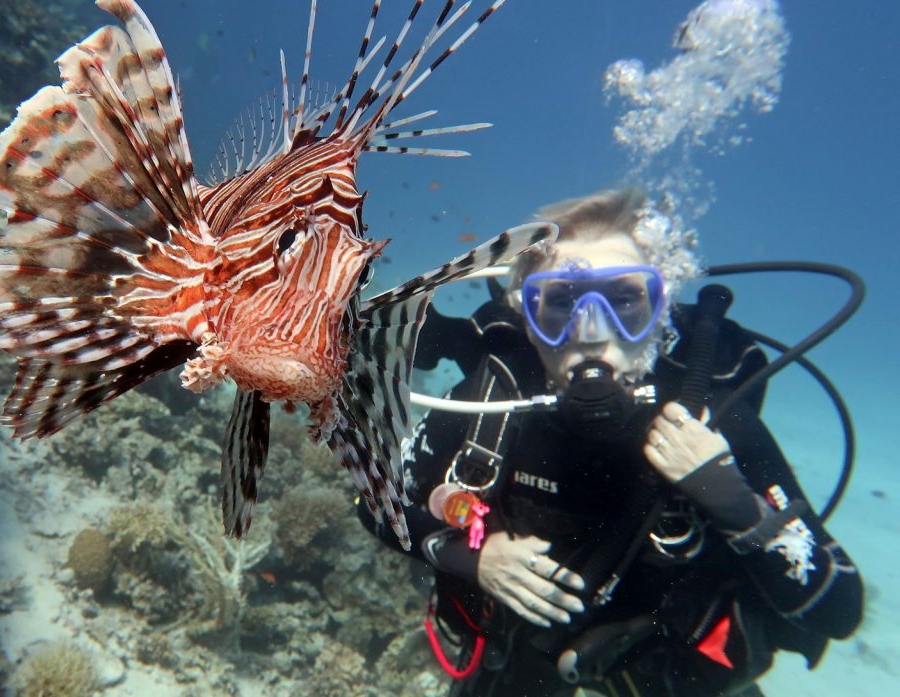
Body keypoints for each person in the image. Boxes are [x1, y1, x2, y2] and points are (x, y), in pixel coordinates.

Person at [358, 190, 862, 697]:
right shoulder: (495, 397)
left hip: (667, 662)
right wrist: (475, 559)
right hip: (528, 643)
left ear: (659, 310)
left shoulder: (714, 419)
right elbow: (375, 504)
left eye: (624, 301)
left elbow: (839, 608)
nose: (594, 334)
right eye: (559, 303)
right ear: (526, 318)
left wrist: (737, 504)